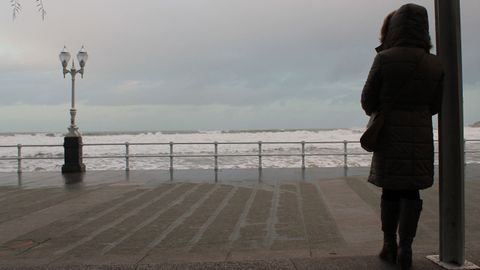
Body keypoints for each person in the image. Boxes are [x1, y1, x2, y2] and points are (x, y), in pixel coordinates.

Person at [361, 4, 443, 270]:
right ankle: (407, 247)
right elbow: (437, 104)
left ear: (394, 27)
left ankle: (389, 244)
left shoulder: (384, 58)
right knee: (412, 191)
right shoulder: (434, 62)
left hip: (389, 134)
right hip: (420, 134)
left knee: (390, 190)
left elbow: (367, 100)